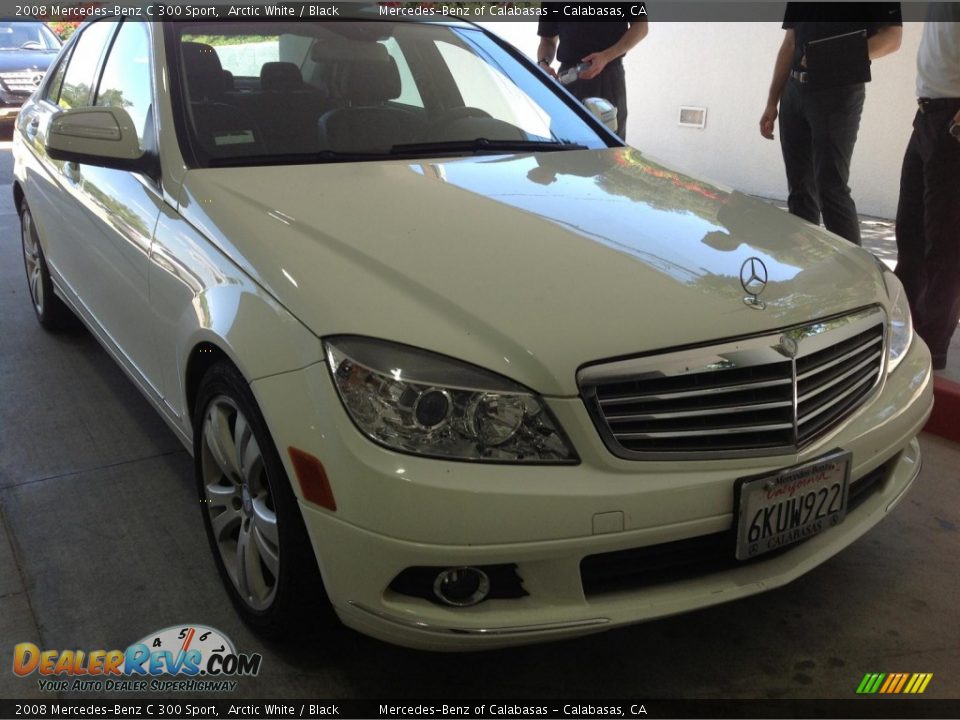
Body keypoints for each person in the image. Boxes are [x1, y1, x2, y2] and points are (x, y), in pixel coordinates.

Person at [759, 3, 903, 245]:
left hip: (838, 93)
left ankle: (853, 278)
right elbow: (790, 43)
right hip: (793, 92)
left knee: (831, 188)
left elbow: (892, 38)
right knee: (800, 190)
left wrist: (831, 56)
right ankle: (801, 268)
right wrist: (772, 101)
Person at [894, 4, 960, 371]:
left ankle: (931, 350)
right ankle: (906, 335)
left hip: (952, 117)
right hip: (927, 116)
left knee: (945, 244)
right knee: (910, 234)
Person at [536, 19, 648, 140]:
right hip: (566, 79)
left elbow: (641, 26)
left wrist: (607, 56)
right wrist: (543, 63)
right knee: (563, 142)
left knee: (608, 147)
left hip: (607, 76)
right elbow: (547, 40)